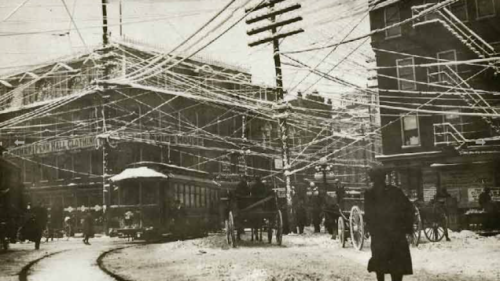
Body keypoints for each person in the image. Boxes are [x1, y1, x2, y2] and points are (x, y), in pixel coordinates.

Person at [364, 167, 413, 281]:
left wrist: (371, 229)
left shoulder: (369, 193)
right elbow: (409, 209)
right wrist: (407, 228)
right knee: (397, 265)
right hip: (396, 235)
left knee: (380, 264)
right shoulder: (396, 191)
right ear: (384, 178)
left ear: (372, 179)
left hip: (379, 236)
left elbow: (369, 215)